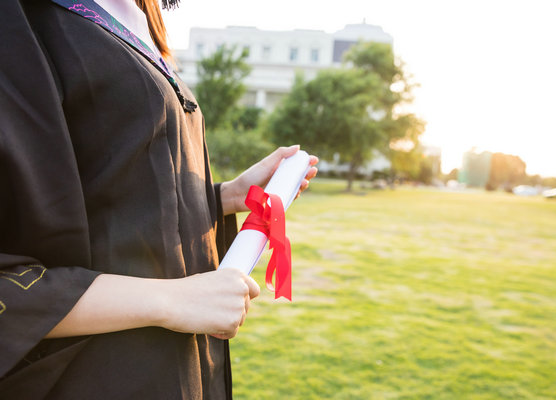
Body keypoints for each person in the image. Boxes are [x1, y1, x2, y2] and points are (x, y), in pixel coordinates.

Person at [0, 0, 318, 398]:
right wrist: (170, 300)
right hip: (95, 377)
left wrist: (223, 198)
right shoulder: (21, 19)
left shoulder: (143, 20)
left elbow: (113, 200)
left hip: (187, 367)